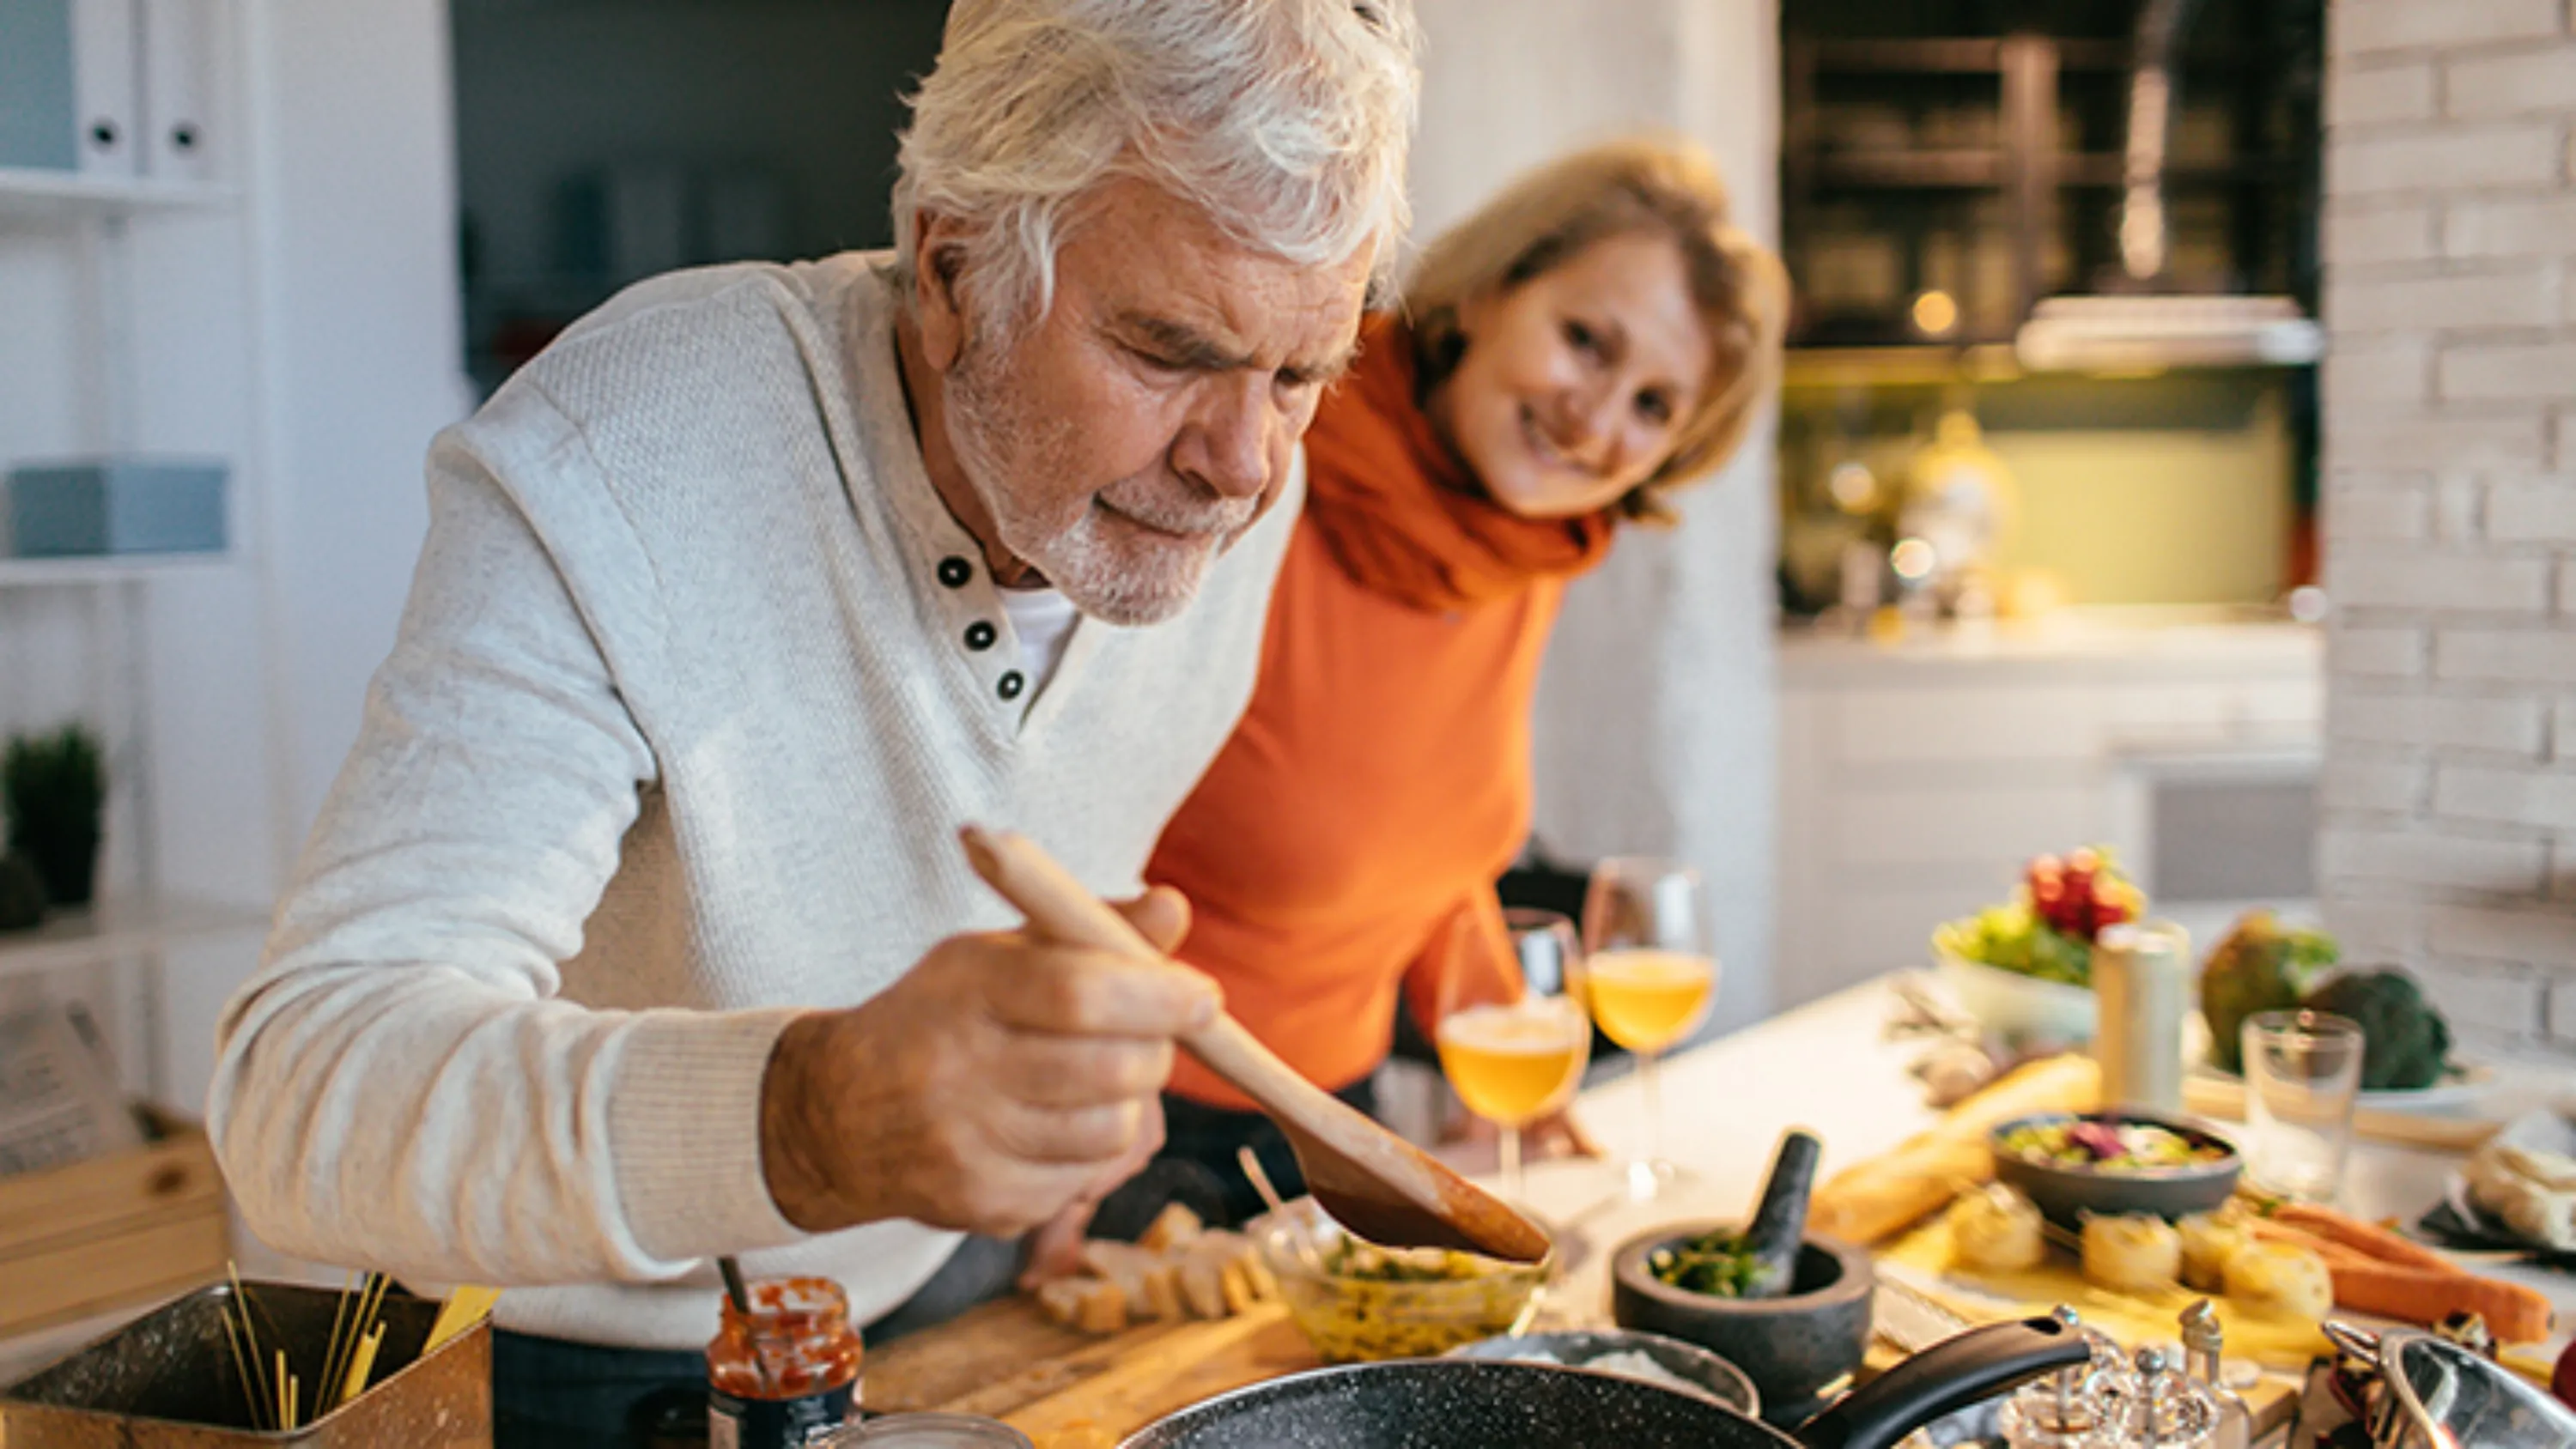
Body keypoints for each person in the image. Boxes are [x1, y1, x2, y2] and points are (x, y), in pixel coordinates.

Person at [205, 2, 1419, 1442]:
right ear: (953, 265)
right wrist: (805, 1114)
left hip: (923, 1304)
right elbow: (304, 1091)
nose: (1243, 466)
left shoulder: (1222, 484)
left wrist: (1036, 1115)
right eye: (1165, 351)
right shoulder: (631, 447)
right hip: (522, 1358)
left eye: (1301, 375)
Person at [1127, 137, 1787, 1228]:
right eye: (1585, 341)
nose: (1593, 422)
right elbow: (1048, 821)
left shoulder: (1519, 549)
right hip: (1135, 1140)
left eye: (1653, 406)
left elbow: (1429, 849)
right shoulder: (1254, 463)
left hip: (1339, 1121)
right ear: (1488, 290)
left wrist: (1513, 1066)